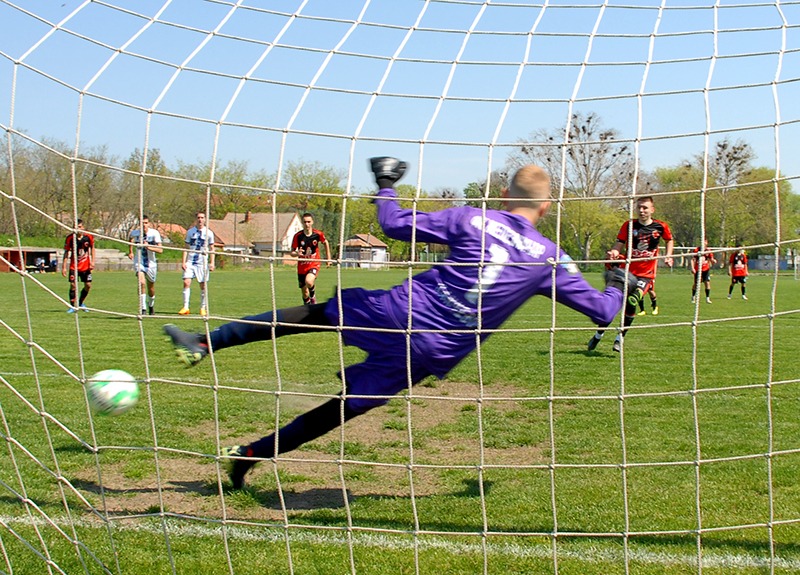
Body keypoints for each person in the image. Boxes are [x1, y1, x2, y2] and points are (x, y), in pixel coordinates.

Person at [163, 157, 631, 490]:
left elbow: (390, 223)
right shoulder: (549, 257)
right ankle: (252, 455)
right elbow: (603, 311)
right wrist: (617, 281)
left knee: (315, 315)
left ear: (505, 195)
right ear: (546, 208)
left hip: (402, 311)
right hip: (437, 349)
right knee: (345, 406)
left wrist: (385, 181)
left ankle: (205, 343)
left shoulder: (472, 218)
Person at [587, 196, 674, 353]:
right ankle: (598, 335)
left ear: (652, 210)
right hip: (626, 271)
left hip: (645, 274)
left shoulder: (660, 226)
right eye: (639, 207)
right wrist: (614, 252)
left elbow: (669, 240)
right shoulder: (629, 225)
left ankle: (619, 339)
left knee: (633, 300)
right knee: (612, 303)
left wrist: (668, 255)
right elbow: (619, 244)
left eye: (645, 208)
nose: (641, 210)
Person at [290, 213, 332, 305]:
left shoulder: (317, 234)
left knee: (309, 281)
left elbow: (325, 242)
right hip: (302, 266)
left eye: (309, 222)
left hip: (313, 264)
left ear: (312, 222)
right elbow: (292, 252)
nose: (307, 224)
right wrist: (297, 253)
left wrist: (328, 258)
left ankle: (313, 297)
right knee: (305, 294)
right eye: (305, 222)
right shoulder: (298, 236)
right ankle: (308, 308)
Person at [179, 211, 215, 316]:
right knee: (186, 282)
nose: (200, 219)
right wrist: (184, 261)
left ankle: (203, 308)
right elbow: (186, 247)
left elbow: (212, 248)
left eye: (202, 217)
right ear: (196, 219)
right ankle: (186, 307)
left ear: (205, 219)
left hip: (202, 263)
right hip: (190, 262)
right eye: (198, 217)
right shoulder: (190, 232)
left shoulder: (209, 233)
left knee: (203, 285)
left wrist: (212, 263)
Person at [129, 215, 163, 315]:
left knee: (151, 287)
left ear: (149, 223)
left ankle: (151, 305)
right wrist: (130, 251)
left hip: (151, 264)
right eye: (142, 223)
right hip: (139, 262)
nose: (144, 225)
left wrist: (149, 247)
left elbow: (160, 250)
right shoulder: (135, 233)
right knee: (141, 282)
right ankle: (143, 308)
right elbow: (130, 240)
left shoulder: (154, 233)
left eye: (146, 223)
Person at [62, 219, 95, 313]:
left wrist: (93, 261)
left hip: (85, 266)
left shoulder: (89, 236)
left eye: (79, 227)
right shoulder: (70, 238)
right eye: (75, 227)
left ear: (83, 227)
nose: (77, 229)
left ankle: (81, 303)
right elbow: (66, 252)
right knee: (73, 285)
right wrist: (64, 267)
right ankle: (72, 306)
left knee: (88, 285)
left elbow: (92, 248)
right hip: (74, 266)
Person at [691, 239, 716, 304]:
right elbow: (693, 259)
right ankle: (693, 296)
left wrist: (713, 261)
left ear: (706, 243)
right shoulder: (697, 250)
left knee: (707, 283)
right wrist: (693, 268)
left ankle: (707, 298)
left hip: (706, 269)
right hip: (698, 270)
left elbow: (711, 258)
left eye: (705, 242)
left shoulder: (708, 251)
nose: (703, 243)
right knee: (696, 284)